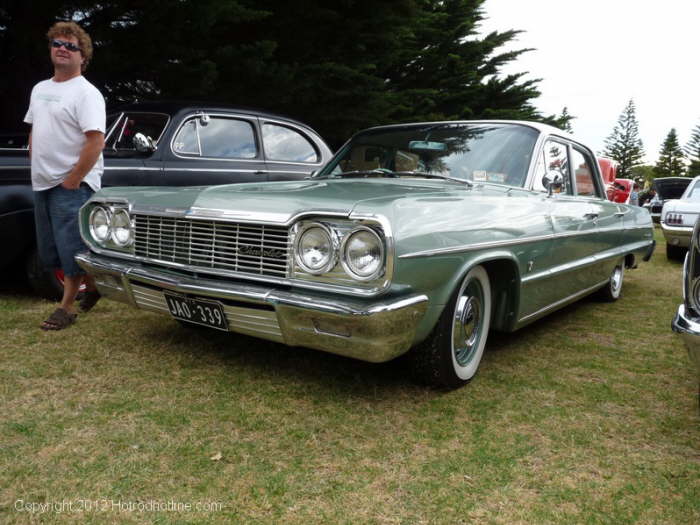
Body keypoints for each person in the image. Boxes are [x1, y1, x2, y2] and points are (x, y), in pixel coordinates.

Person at [24, 21, 105, 330]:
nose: (62, 48)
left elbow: (96, 141)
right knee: (52, 249)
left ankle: (67, 307)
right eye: (57, 43)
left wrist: (73, 179)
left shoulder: (87, 93)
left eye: (71, 46)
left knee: (70, 245)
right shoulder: (40, 89)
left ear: (82, 56)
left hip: (71, 183)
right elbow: (35, 128)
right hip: (42, 181)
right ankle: (95, 287)